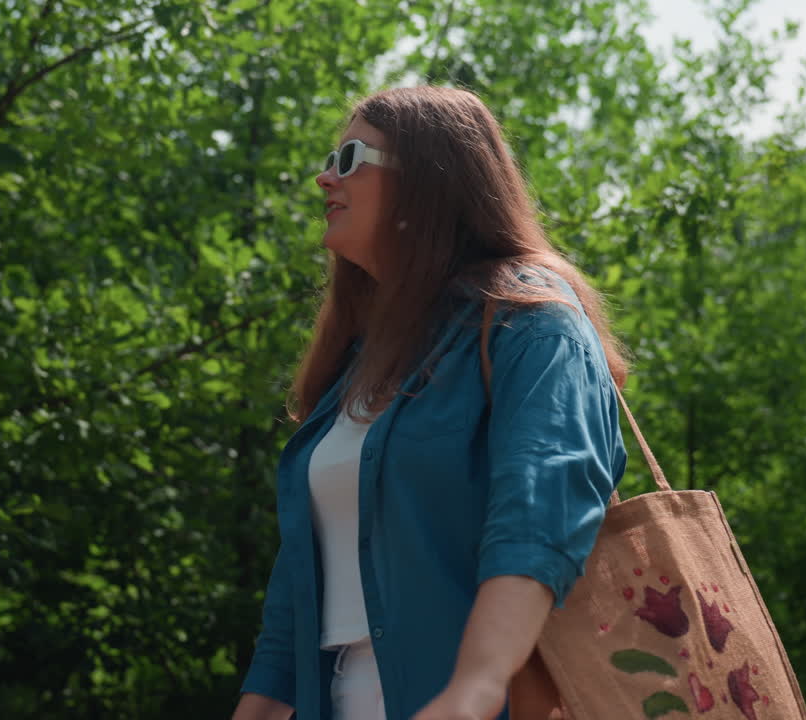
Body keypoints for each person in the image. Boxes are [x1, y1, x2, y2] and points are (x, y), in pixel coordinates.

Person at [230, 85, 629, 720]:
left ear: (428, 180)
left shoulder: (532, 324)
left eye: (349, 158)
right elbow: (296, 605)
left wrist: (473, 692)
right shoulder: (359, 361)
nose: (321, 179)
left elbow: (537, 521)